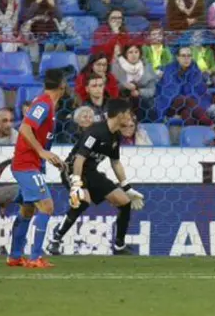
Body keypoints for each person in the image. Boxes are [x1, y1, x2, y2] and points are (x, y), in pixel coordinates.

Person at [48, 98, 145, 255]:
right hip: (73, 170)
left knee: (125, 202)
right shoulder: (95, 132)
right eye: (128, 114)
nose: (130, 117)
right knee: (83, 201)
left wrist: (126, 187)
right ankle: (56, 239)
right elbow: (79, 159)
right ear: (119, 115)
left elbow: (115, 162)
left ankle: (119, 245)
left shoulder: (115, 136)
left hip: (91, 172)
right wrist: (76, 184)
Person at [7, 69, 67, 269]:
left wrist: (48, 157)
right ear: (63, 85)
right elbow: (25, 127)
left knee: (27, 209)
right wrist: (41, 152)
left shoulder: (48, 105)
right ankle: (34, 258)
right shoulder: (43, 104)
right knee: (47, 207)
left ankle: (15, 256)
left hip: (32, 165)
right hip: (26, 164)